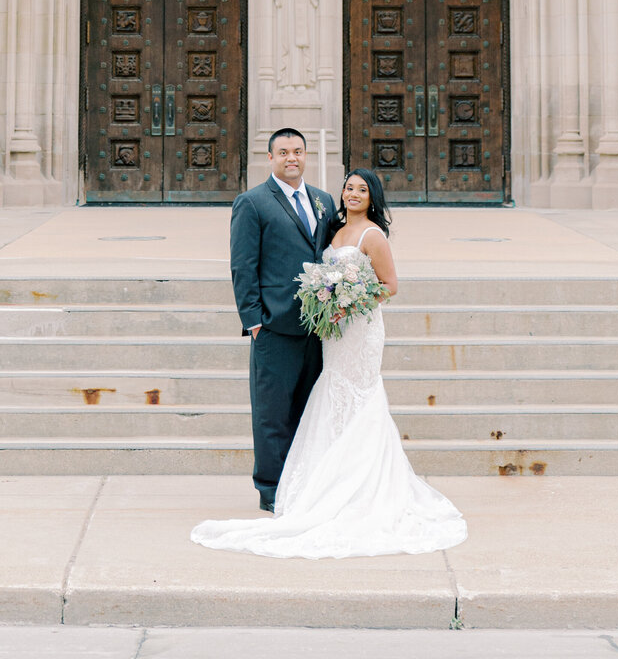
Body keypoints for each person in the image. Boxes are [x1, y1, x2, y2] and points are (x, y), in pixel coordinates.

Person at [192, 168, 467, 558]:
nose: (353, 194)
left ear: (373, 197)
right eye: (349, 187)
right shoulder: (333, 227)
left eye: (362, 190)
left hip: (360, 330)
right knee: (330, 395)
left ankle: (363, 483)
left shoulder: (373, 235)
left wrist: (350, 303)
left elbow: (390, 285)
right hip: (332, 334)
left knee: (360, 399)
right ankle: (327, 482)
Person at [223, 127, 336, 512]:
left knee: (311, 411)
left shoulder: (322, 201)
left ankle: (307, 485)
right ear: (270, 157)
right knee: (272, 415)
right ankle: (271, 491)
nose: (292, 157)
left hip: (319, 328)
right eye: (284, 151)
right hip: (274, 328)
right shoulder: (252, 203)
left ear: (306, 156)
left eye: (299, 151)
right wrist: (255, 321)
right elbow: (242, 265)